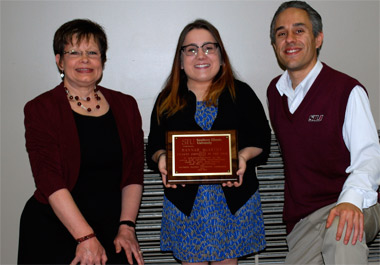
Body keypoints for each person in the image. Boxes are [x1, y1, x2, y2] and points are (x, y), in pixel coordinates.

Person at [18, 19, 145, 265]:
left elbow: (133, 174)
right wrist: (85, 237)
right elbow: (49, 179)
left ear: (102, 61)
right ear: (59, 61)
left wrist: (127, 226)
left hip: (114, 230)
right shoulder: (40, 108)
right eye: (74, 52)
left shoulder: (126, 106)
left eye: (92, 52)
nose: (84, 59)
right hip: (57, 228)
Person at [147, 19, 271, 265]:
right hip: (185, 204)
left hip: (233, 202)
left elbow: (262, 138)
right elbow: (154, 145)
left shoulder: (242, 93)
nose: (200, 55)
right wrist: (162, 159)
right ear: (181, 61)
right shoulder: (167, 99)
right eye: (191, 49)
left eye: (208, 47)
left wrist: (243, 157)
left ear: (221, 56)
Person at [267, 1, 380, 264]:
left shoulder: (347, 90)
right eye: (281, 33)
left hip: (356, 202)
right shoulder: (274, 92)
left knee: (343, 233)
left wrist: (350, 202)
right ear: (274, 45)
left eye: (299, 30)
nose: (289, 39)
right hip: (305, 219)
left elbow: (369, 157)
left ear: (318, 38)